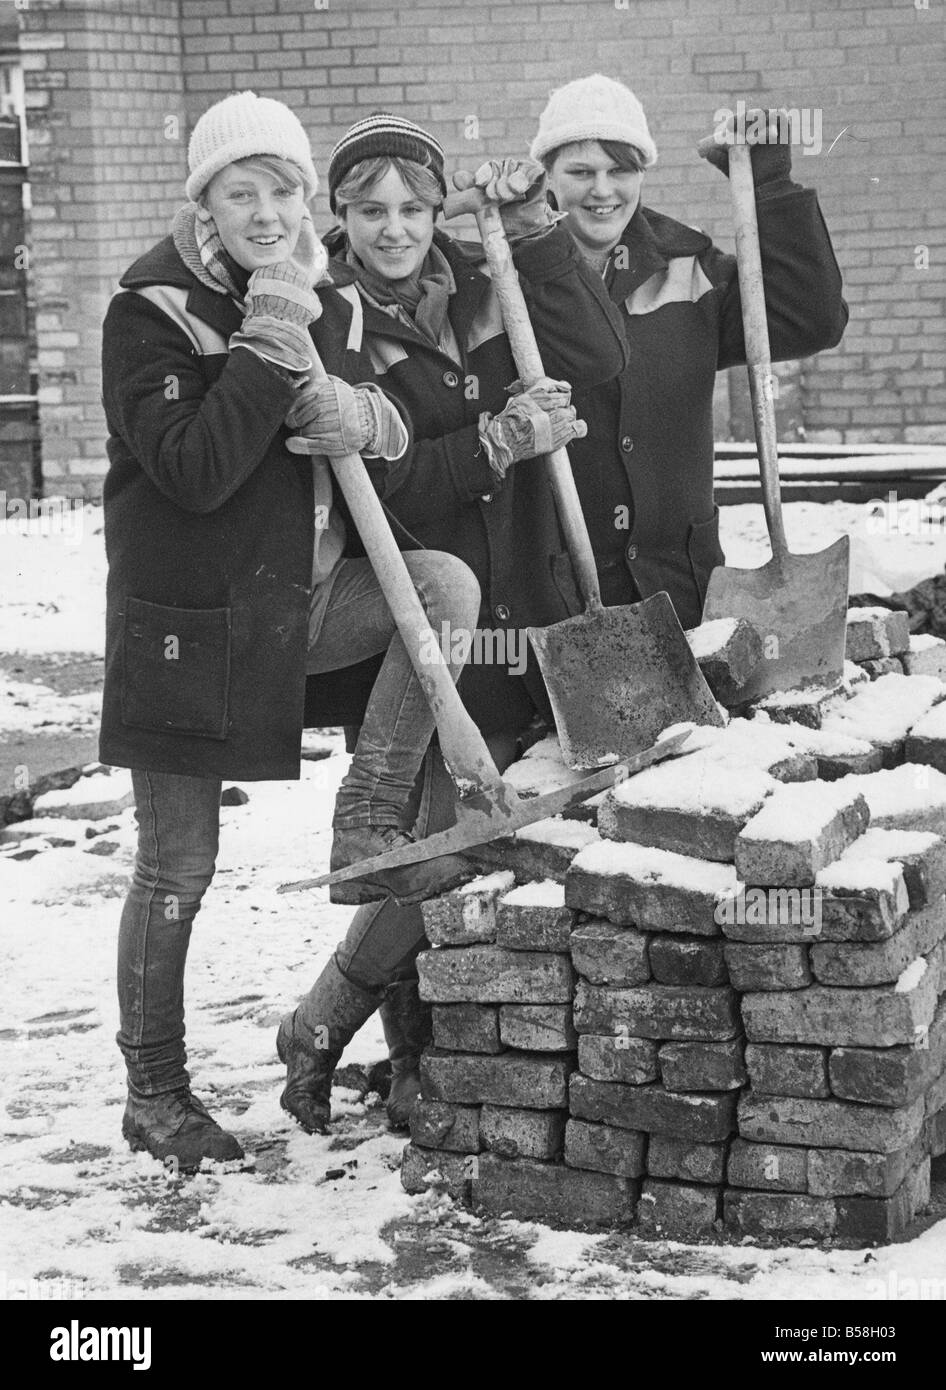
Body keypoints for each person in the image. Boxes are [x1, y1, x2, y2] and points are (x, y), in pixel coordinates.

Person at [100, 91, 485, 1170]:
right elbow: (196, 466)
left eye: (282, 189)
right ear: (204, 202)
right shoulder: (152, 310)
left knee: (442, 585)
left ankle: (366, 825)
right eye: (240, 191)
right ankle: (157, 1092)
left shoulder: (322, 299)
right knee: (177, 865)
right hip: (187, 628)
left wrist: (367, 416)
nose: (266, 211)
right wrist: (271, 336)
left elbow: (390, 423)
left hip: (296, 608)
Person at [278, 111, 630, 1133]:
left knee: (508, 837)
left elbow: (601, 356)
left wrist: (531, 227)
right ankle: (385, 1048)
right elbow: (375, 502)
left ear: (440, 212)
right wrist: (496, 442)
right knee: (431, 849)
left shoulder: (486, 288)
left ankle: (375, 1038)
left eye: (414, 209)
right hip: (425, 623)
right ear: (336, 216)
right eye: (369, 210)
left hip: (533, 593)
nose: (395, 230)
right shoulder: (322, 327)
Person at [529, 73, 849, 631]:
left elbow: (810, 321)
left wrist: (767, 182)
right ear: (549, 179)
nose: (602, 190)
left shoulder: (688, 267)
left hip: (681, 585)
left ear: (642, 175)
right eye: (581, 172)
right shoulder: (516, 277)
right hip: (562, 601)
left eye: (620, 170)